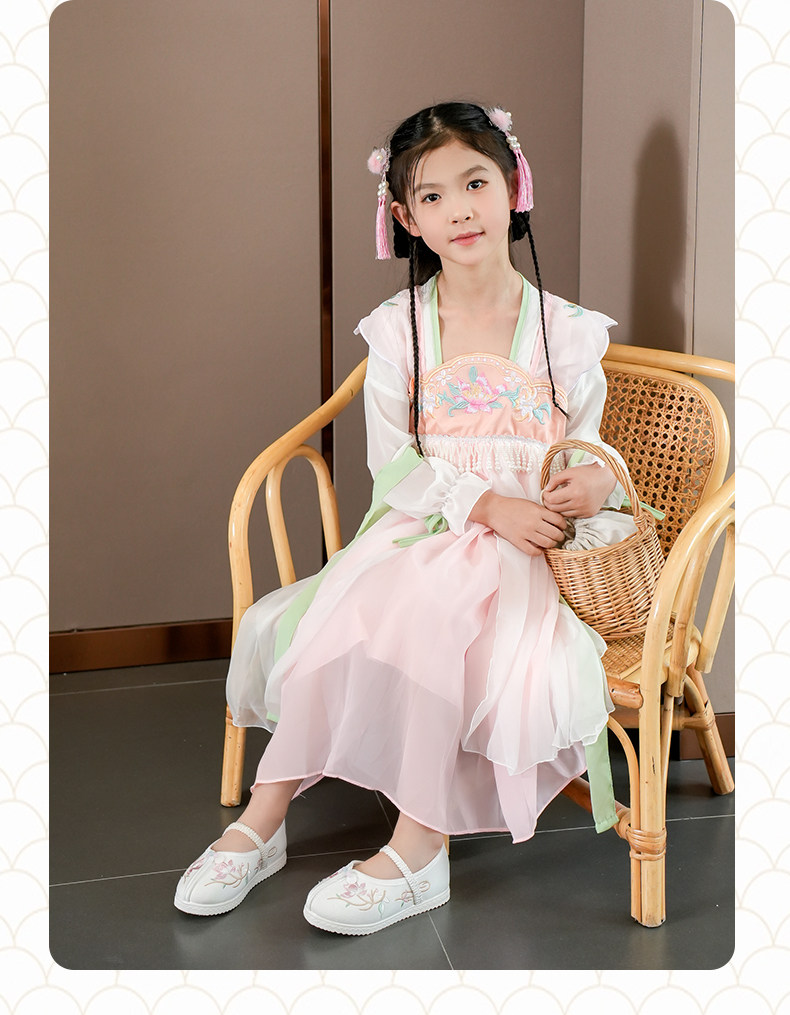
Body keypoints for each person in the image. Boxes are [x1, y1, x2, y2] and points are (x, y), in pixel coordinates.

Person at [174, 101, 630, 936]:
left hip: (524, 542)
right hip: (430, 522)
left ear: (515, 187)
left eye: (476, 183)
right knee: (352, 605)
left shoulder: (566, 332)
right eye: (431, 196)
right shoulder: (399, 330)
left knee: (435, 612)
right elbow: (395, 465)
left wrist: (594, 478)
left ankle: (420, 847)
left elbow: (592, 443)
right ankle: (263, 820)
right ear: (405, 218)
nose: (459, 210)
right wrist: (480, 503)